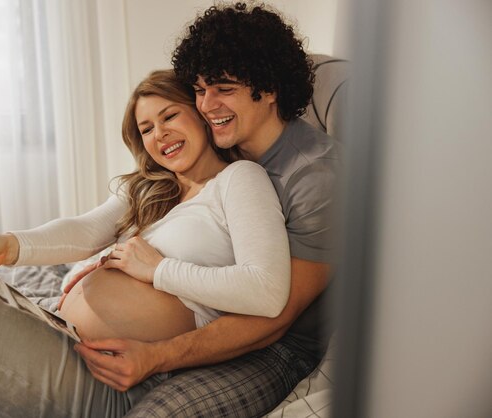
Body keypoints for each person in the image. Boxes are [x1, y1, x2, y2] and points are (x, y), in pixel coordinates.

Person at [0, 69, 292, 417]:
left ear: (200, 115)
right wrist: (7, 245)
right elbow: (84, 230)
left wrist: (157, 269)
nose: (159, 134)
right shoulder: (151, 189)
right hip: (65, 339)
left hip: (114, 378)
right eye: (146, 128)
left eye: (169, 117)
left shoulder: (238, 181)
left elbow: (267, 290)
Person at [68, 3, 340, 417]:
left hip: (274, 347)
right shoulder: (224, 145)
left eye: (223, 88)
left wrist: (157, 355)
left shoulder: (314, 178)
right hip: (204, 314)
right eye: (198, 90)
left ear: (268, 89)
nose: (206, 105)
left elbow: (274, 317)